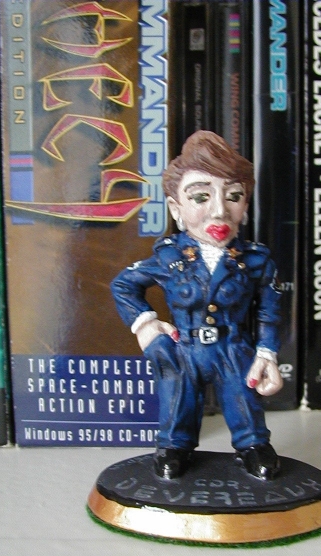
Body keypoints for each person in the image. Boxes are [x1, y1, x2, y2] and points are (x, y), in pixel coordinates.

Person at [111, 131, 283, 480]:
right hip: (184, 349)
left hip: (233, 348)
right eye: (201, 196)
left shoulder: (255, 260)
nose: (219, 210)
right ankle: (174, 447)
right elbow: (124, 285)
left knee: (243, 400)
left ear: (245, 204)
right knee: (177, 403)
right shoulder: (169, 257)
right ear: (176, 207)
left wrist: (267, 354)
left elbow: (269, 310)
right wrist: (147, 327)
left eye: (233, 196)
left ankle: (253, 446)